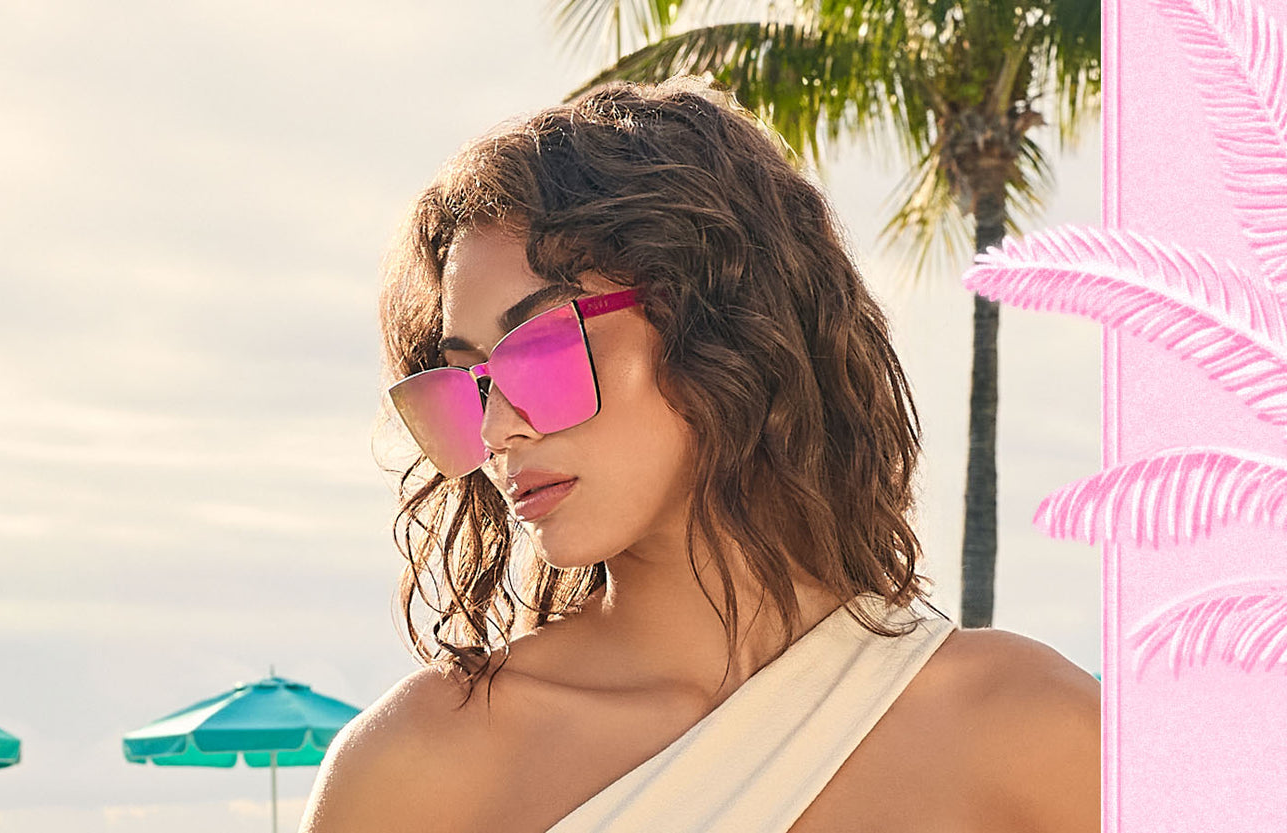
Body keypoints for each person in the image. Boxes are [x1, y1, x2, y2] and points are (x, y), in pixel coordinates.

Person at [301, 77, 1098, 832]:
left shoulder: (1033, 730)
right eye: (466, 382)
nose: (499, 428)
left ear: (719, 323)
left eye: (542, 348)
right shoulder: (417, 768)